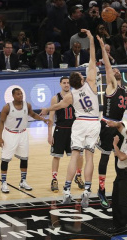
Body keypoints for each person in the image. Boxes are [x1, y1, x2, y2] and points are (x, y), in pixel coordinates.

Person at [40, 29, 100, 208]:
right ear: (81, 79)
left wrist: (46, 109)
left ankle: (66, 190)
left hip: (79, 124)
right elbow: (92, 59)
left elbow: (57, 107)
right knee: (89, 158)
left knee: (74, 156)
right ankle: (87, 192)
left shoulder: (70, 96)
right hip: (93, 123)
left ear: (71, 84)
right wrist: (90, 39)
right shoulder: (90, 84)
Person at [96, 35, 127, 208]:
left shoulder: (123, 89)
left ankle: (122, 190)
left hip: (119, 125)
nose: (115, 70)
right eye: (114, 70)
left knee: (122, 158)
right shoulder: (111, 85)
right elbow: (108, 65)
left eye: (117, 70)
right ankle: (101, 191)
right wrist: (103, 47)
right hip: (107, 124)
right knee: (105, 158)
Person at [0, 88, 50, 193]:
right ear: (13, 96)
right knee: (5, 159)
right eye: (18, 94)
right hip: (10, 134)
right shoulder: (7, 107)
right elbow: (1, 122)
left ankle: (23, 181)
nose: (20, 96)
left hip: (23, 134)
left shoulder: (27, 105)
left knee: (24, 158)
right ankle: (3, 182)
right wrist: (0, 137)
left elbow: (33, 114)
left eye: (21, 93)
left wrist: (43, 119)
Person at [48, 76, 84, 192]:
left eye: (68, 83)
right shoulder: (56, 98)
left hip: (74, 130)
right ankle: (54, 179)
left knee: (79, 155)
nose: (66, 85)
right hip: (60, 129)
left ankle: (78, 176)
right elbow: (51, 116)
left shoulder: (76, 96)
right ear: (60, 84)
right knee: (56, 156)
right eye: (64, 83)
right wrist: (49, 134)